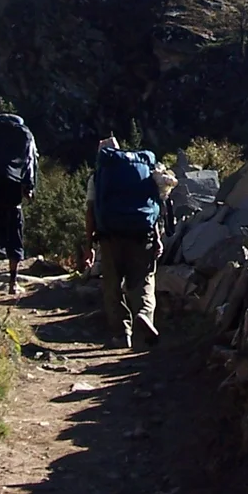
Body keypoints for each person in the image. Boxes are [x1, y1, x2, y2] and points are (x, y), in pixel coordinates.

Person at [84, 136, 175, 349]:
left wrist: (88, 245)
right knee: (144, 280)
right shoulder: (141, 171)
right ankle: (144, 315)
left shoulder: (98, 176)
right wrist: (158, 237)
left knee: (112, 285)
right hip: (142, 233)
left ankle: (121, 333)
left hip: (110, 236)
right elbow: (153, 204)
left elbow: (90, 212)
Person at [0, 113, 38, 296]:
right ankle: (12, 282)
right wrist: (29, 188)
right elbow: (30, 161)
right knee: (14, 236)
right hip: (14, 188)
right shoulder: (26, 134)